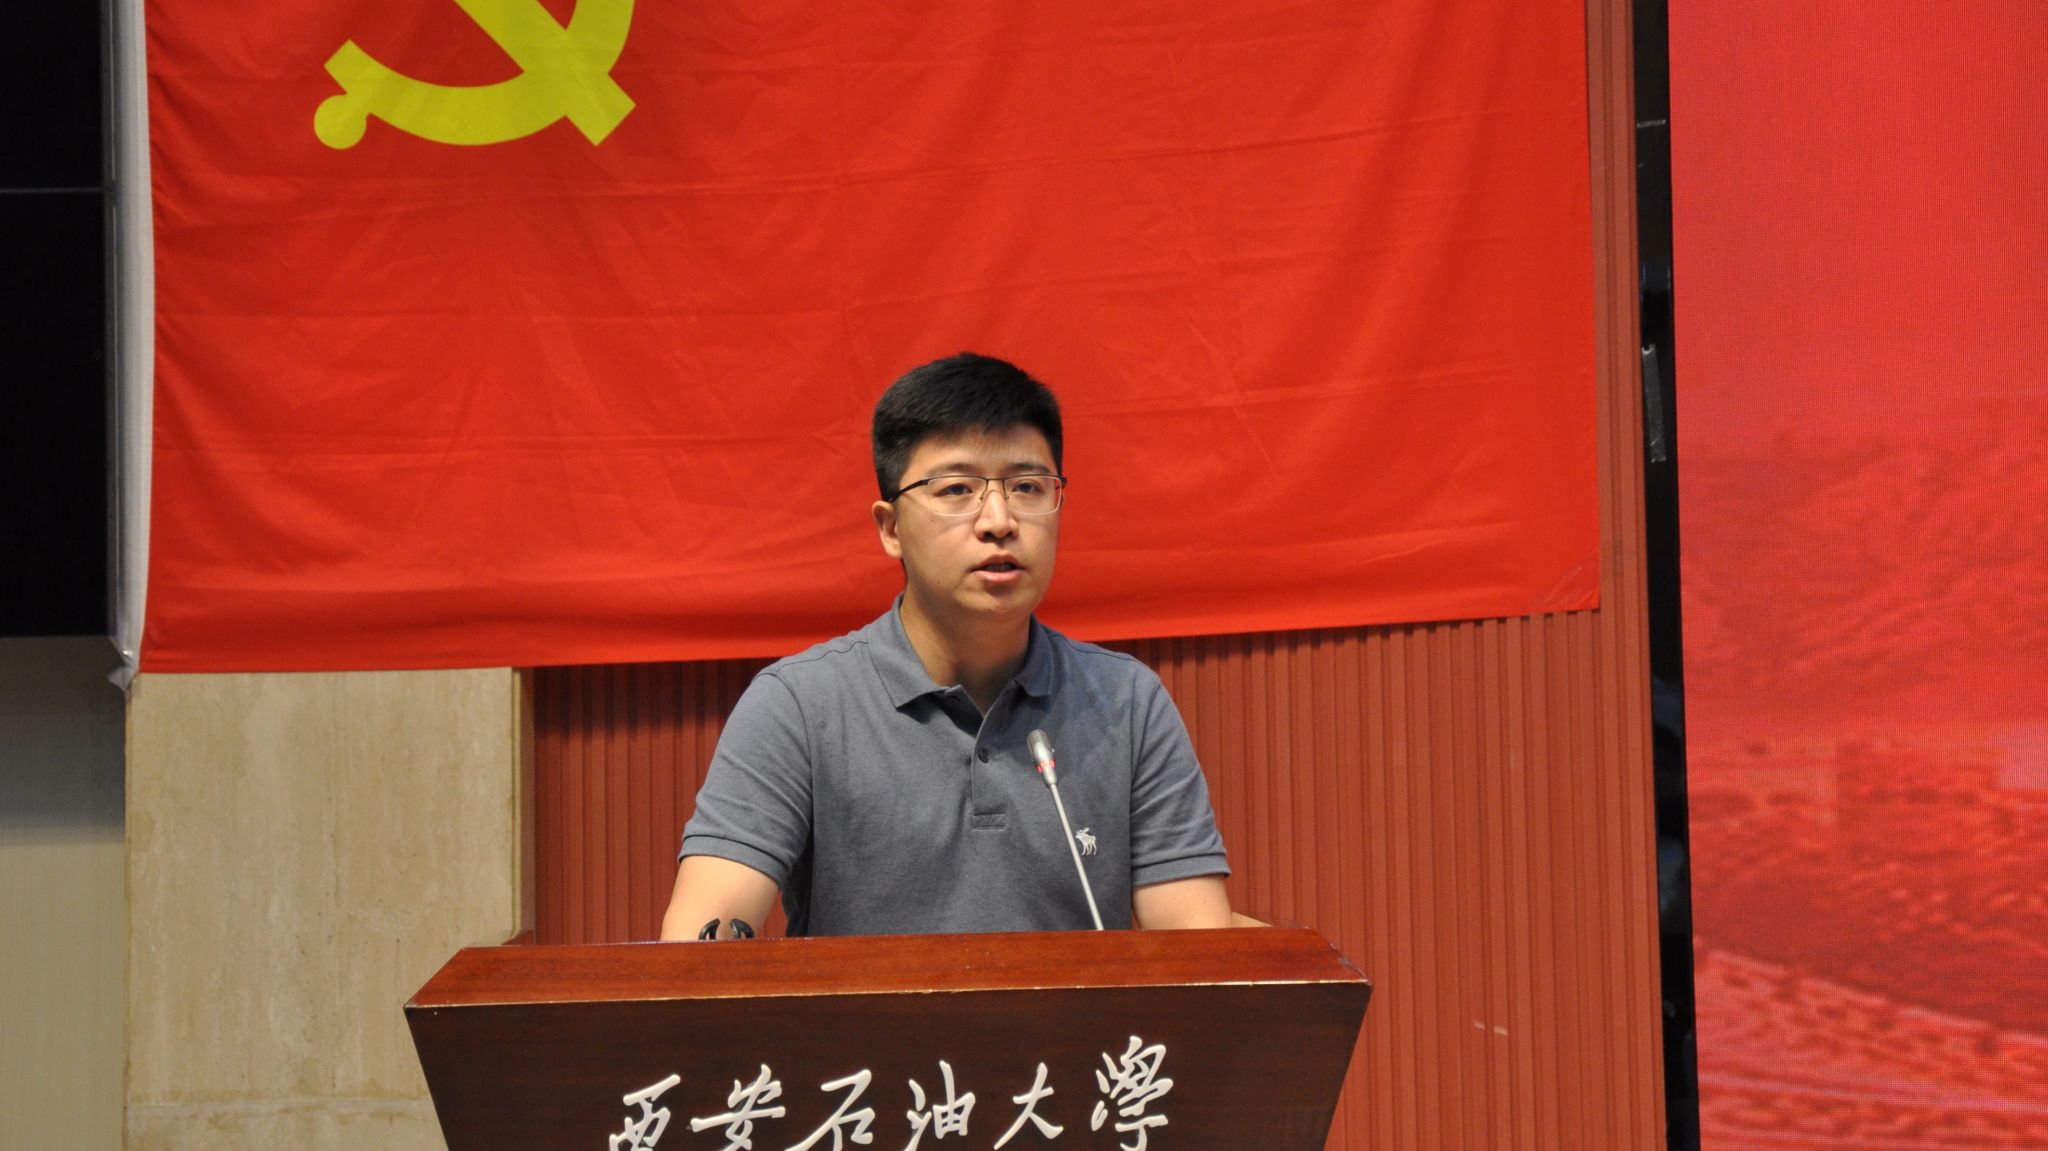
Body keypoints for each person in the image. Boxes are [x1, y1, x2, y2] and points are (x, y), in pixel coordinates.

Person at [659, 352, 1233, 938]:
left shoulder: (1126, 703)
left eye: (1027, 487)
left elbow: (1197, 947)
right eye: (957, 489)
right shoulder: (801, 706)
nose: (999, 520)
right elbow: (701, 935)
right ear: (891, 529)